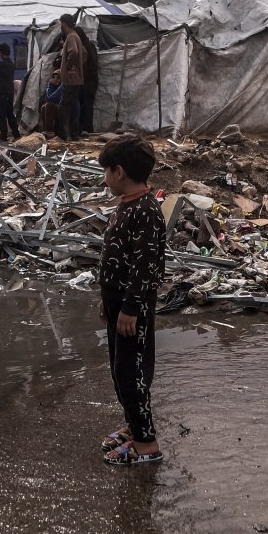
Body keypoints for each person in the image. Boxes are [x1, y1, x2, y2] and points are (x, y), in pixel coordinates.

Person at [97, 135, 167, 466]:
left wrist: (129, 307)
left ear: (120, 172)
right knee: (118, 370)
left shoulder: (146, 211)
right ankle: (133, 425)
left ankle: (146, 444)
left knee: (132, 373)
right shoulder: (127, 205)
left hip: (131, 310)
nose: (104, 178)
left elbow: (145, 266)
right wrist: (107, 300)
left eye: (106, 171)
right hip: (116, 305)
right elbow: (117, 259)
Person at [55, 15, 88, 141]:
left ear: (64, 24)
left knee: (64, 106)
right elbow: (84, 54)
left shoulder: (70, 37)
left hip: (70, 79)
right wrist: (78, 66)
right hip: (77, 78)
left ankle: (62, 134)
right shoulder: (76, 36)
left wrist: (69, 67)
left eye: (61, 24)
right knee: (74, 107)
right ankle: (74, 134)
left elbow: (74, 52)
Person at [0, 42, 19, 143]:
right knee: (10, 114)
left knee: (2, 114)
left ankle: (3, 136)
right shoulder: (11, 63)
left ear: (1, 53)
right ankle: (16, 134)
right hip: (10, 92)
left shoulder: (1, 63)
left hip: (2, 92)